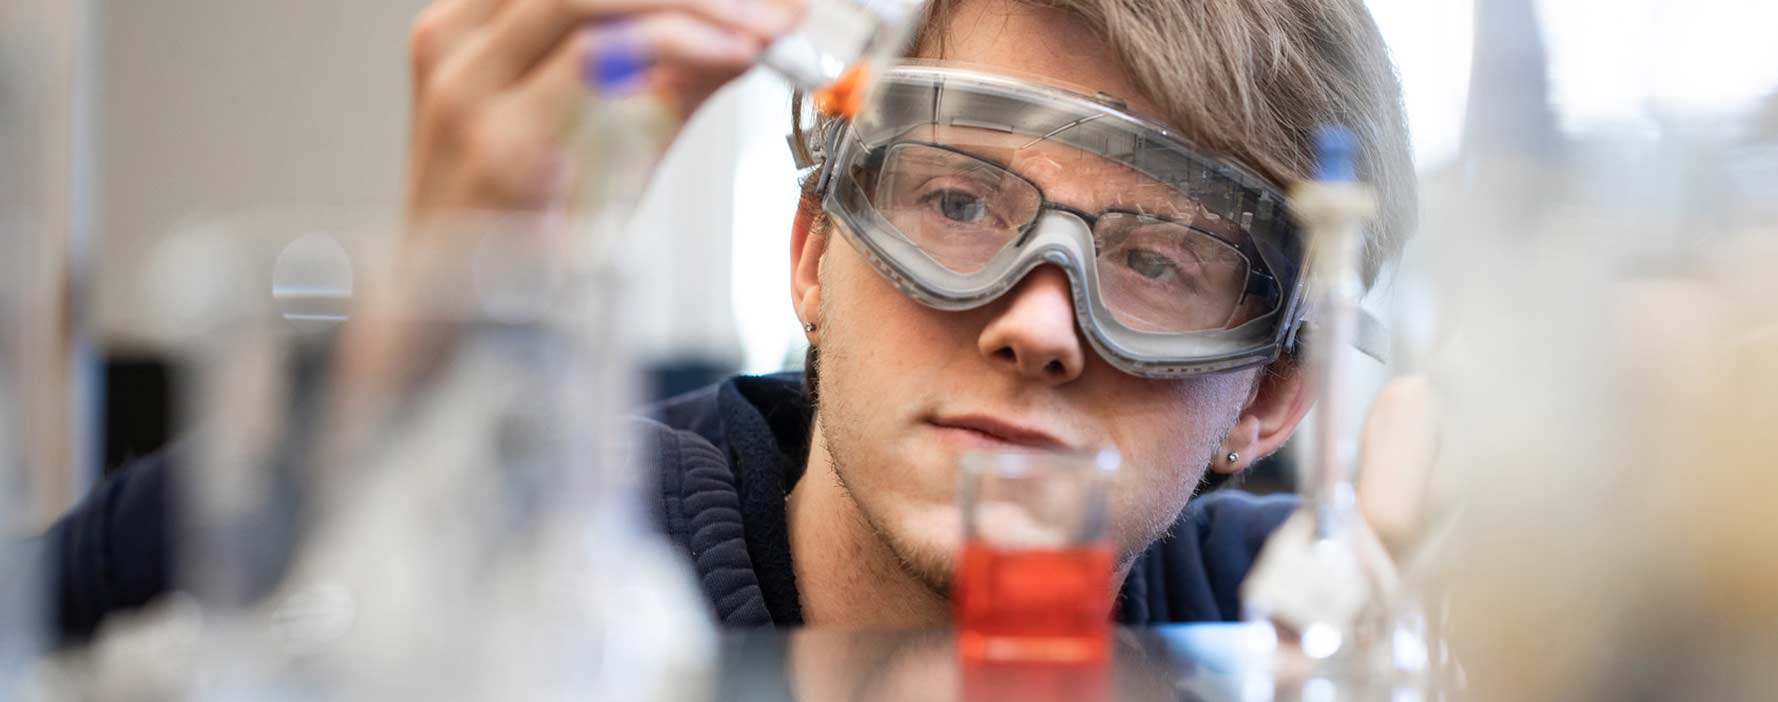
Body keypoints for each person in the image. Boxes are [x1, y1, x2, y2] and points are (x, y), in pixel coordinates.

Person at [45, 0, 1416, 637]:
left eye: (1165, 261)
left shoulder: (1273, 626)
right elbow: (53, 637)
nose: (1041, 325)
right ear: (813, 253)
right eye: (954, 205)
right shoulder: (579, 548)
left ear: (1271, 402)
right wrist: (429, 353)